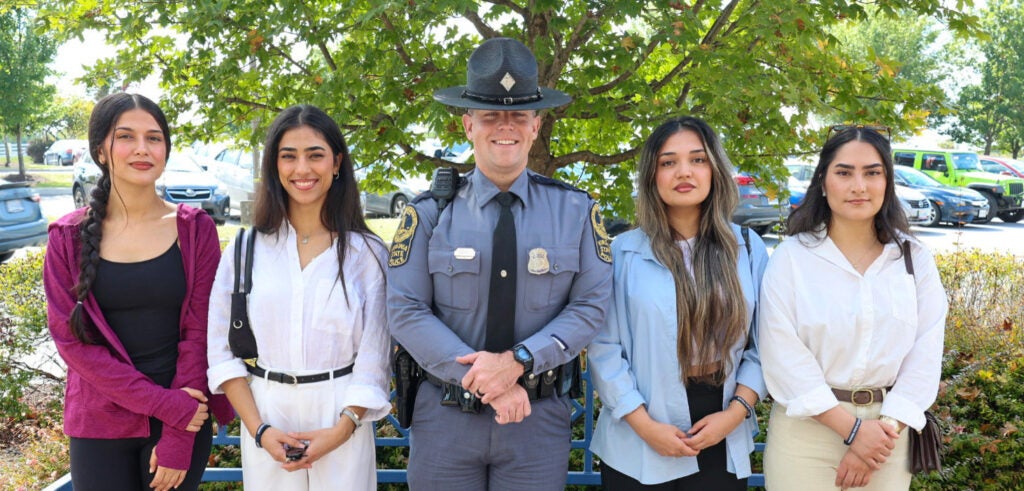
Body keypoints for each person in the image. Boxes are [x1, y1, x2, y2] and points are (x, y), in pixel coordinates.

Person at [387, 37, 614, 490]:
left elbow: (591, 306)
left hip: (535, 422)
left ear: (535, 126)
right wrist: (486, 379)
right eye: (490, 115)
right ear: (468, 125)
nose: (504, 126)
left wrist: (519, 363)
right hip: (446, 420)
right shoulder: (429, 213)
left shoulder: (576, 211)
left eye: (518, 115)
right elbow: (405, 309)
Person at [42, 92, 233, 491]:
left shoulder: (195, 230)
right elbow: (72, 344)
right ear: (100, 149)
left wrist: (179, 432)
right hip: (100, 421)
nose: (142, 149)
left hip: (182, 418)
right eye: (126, 136)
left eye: (154, 137)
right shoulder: (67, 237)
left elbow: (201, 335)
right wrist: (164, 404)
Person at [206, 104, 391, 490]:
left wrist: (341, 430)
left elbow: (375, 358)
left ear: (337, 162)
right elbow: (221, 352)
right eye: (288, 156)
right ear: (274, 165)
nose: (302, 169)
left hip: (341, 413)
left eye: (315, 155)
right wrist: (259, 430)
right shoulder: (245, 249)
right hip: (267, 412)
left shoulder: (367, 254)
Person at [758, 125, 947, 490]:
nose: (859, 186)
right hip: (806, 436)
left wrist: (878, 435)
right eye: (844, 173)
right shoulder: (792, 258)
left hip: (888, 436)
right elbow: (782, 355)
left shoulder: (914, 259)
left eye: (872, 173)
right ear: (823, 182)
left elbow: (925, 355)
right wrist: (854, 432)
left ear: (887, 182)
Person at [588, 116, 769, 489]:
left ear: (715, 169)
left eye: (697, 160)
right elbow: (604, 349)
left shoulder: (747, 248)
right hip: (639, 429)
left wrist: (735, 414)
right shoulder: (621, 254)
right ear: (652, 176)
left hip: (720, 422)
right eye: (668, 162)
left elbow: (765, 346)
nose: (683, 172)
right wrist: (645, 426)